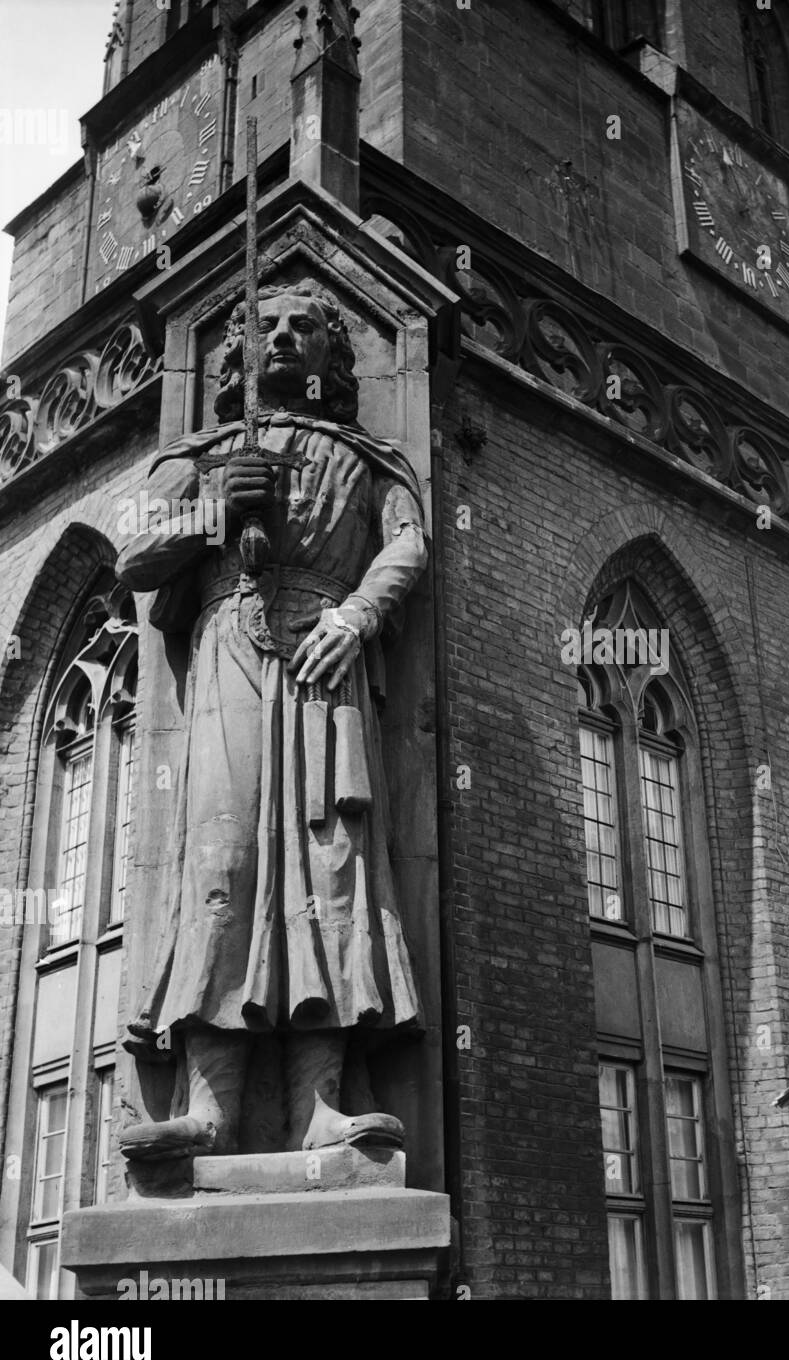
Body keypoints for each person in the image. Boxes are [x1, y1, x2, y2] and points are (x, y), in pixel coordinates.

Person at [116, 281, 426, 1159]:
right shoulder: (203, 454)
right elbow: (137, 556)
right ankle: (211, 1108)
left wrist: (358, 615)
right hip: (230, 656)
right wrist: (217, 510)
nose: (286, 337)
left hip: (329, 662)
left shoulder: (367, 459)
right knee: (226, 861)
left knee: (332, 869)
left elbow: (409, 540)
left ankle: (317, 1106)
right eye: (268, 326)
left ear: (333, 355)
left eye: (305, 327)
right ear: (241, 353)